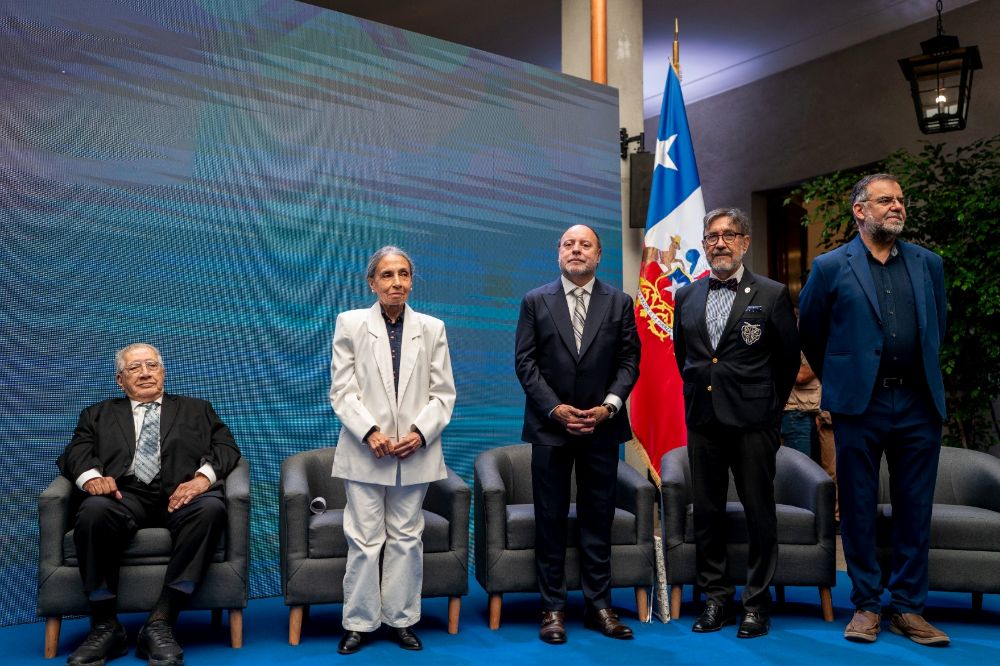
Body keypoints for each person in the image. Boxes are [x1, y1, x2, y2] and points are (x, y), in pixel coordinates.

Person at [799, 173, 949, 646]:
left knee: (914, 507)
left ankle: (907, 607)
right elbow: (812, 332)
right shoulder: (829, 266)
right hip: (858, 405)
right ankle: (865, 604)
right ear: (860, 211)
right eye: (886, 200)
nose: (897, 207)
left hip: (917, 401)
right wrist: (845, 377)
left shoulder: (928, 264)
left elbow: (937, 328)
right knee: (859, 506)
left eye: (901, 200)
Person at [58, 343, 241, 666]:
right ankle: (105, 625)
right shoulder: (97, 414)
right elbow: (74, 454)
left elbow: (226, 447)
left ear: (163, 372)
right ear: (120, 380)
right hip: (123, 495)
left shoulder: (196, 409)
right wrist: (91, 479)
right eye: (134, 368)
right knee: (93, 511)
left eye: (152, 366)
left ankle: (161, 621)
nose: (145, 373)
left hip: (181, 494)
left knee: (211, 509)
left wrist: (201, 479)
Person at [672, 207, 799, 639]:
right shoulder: (685, 297)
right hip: (704, 423)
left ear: (745, 242)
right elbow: (684, 358)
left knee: (759, 513)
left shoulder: (772, 293)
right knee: (707, 514)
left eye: (729, 234)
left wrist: (769, 412)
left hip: (753, 423)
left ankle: (756, 604)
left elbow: (786, 362)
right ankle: (715, 600)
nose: (720, 242)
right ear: (704, 245)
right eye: (712, 236)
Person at [514, 224, 641, 644]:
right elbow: (526, 364)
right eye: (569, 244)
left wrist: (608, 407)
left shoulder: (620, 302)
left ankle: (599, 606)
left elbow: (629, 362)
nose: (576, 250)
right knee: (549, 520)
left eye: (585, 244)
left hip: (601, 428)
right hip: (550, 428)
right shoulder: (535, 301)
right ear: (558, 253)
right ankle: (552, 608)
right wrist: (555, 409)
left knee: (597, 519)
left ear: (598, 255)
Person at [329, 246, 456, 655]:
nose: (396, 282)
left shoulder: (433, 328)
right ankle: (359, 622)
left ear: (412, 281)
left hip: (414, 450)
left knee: (406, 538)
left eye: (403, 274)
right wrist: (370, 432)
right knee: (364, 540)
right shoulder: (349, 324)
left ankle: (401, 620)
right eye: (387, 275)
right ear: (372, 282)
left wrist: (420, 432)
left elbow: (443, 394)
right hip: (366, 450)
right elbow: (342, 390)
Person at [781, 351, 821, 456]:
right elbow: (800, 375)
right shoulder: (792, 339)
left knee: (811, 467)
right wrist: (824, 360)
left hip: (811, 412)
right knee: (799, 467)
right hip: (796, 415)